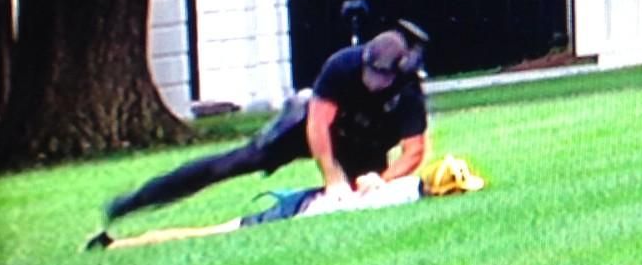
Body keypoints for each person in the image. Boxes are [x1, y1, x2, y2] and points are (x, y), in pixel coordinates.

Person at [101, 21, 431, 222]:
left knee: (366, 201)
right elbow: (318, 124)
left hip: (367, 144)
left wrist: (382, 178)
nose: (371, 81)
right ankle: (135, 202)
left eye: (381, 76)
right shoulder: (342, 65)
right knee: (230, 163)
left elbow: (413, 151)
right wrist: (333, 178)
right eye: (369, 72)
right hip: (311, 130)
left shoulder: (408, 91)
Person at [85, 154, 486, 251]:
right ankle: (118, 245)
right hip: (299, 211)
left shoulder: (406, 188)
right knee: (212, 232)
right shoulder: (402, 199)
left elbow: (366, 183)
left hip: (305, 202)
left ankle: (117, 243)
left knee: (216, 230)